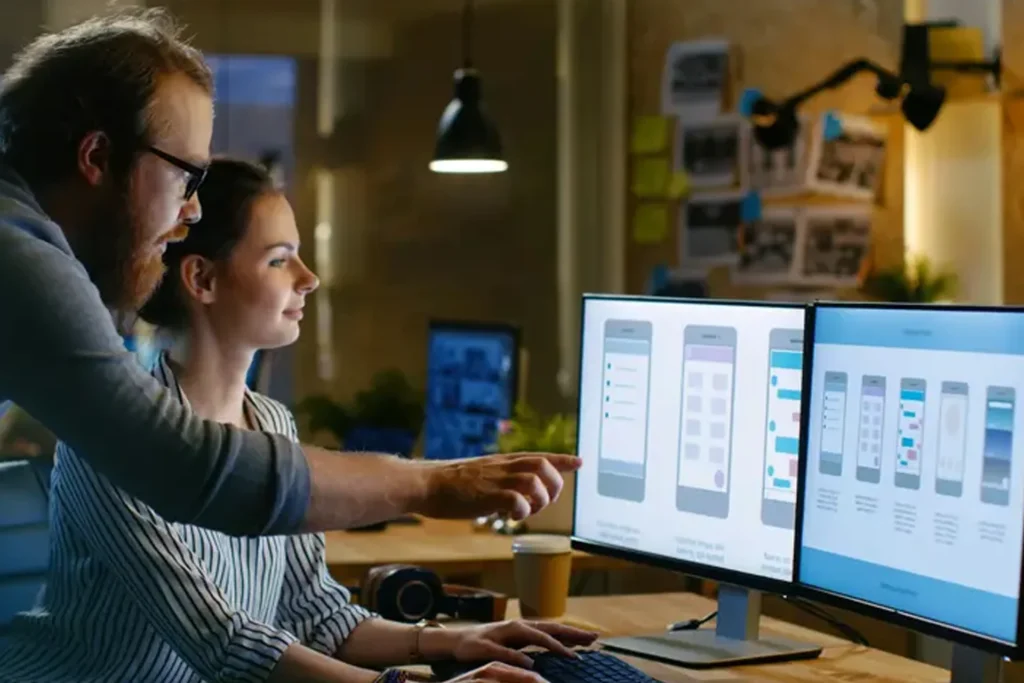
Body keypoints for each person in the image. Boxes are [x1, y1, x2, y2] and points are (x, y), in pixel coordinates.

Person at [0, 158, 596, 683]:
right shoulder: (113, 442)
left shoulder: (272, 425)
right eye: (280, 260)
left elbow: (317, 615)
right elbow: (225, 642)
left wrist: (453, 641)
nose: (308, 279)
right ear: (201, 278)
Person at [0, 9, 580, 537]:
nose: (193, 210)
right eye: (187, 177)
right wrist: (430, 484)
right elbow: (185, 467)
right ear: (97, 158)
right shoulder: (21, 257)